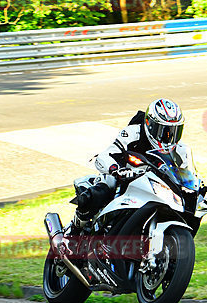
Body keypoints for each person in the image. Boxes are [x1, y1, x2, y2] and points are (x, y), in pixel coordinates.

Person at [70, 98, 185, 233]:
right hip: (123, 177)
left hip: (154, 185)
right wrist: (115, 170)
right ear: (149, 124)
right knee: (99, 193)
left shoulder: (180, 150)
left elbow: (185, 172)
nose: (169, 137)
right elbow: (106, 155)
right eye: (163, 131)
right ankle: (74, 230)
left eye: (173, 131)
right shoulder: (133, 132)